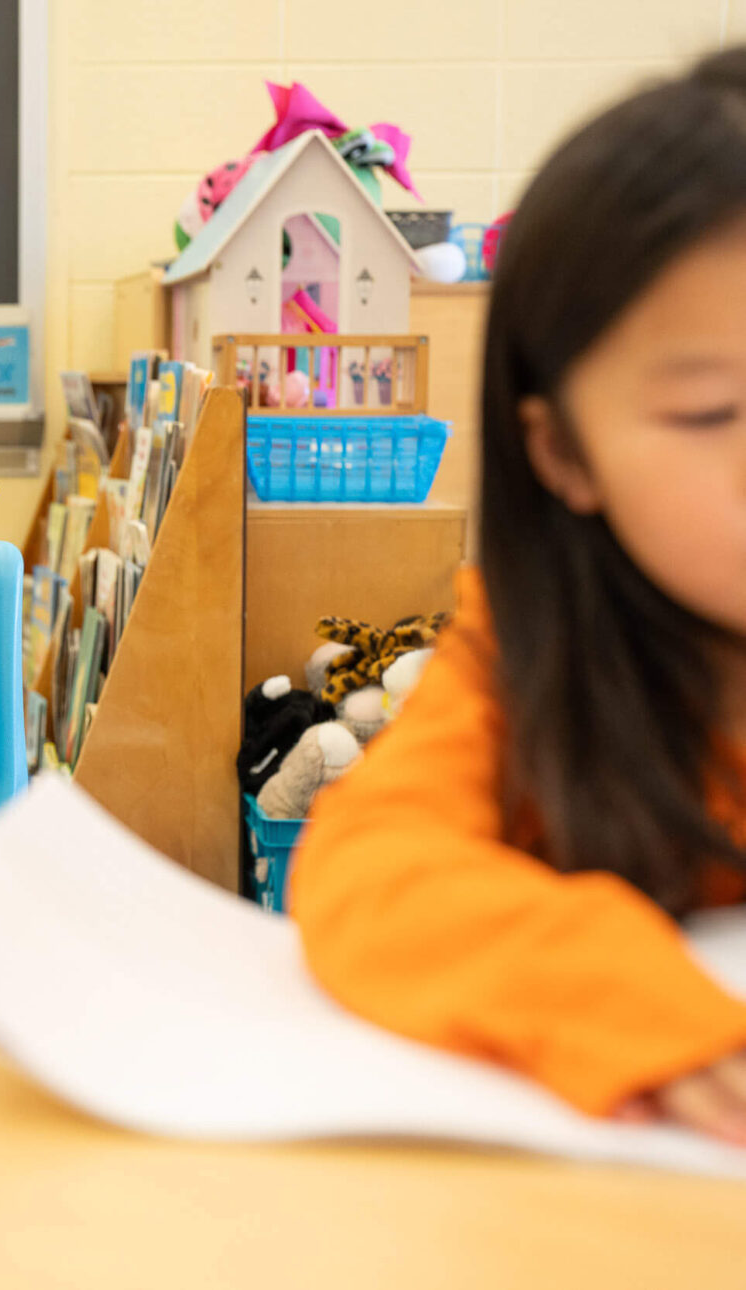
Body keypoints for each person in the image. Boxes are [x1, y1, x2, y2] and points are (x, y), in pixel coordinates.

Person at [292, 49, 746, 1144]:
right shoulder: (525, 661)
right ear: (562, 454)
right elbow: (369, 867)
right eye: (713, 412)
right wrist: (614, 997)